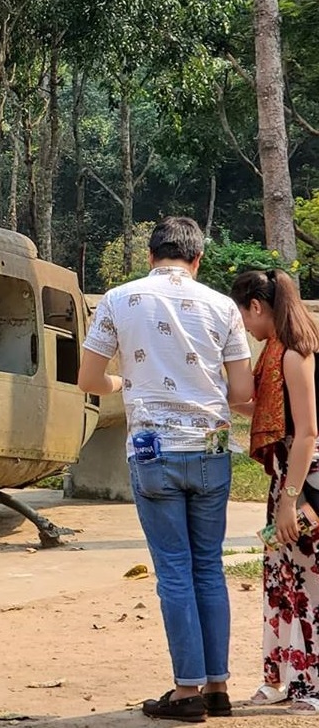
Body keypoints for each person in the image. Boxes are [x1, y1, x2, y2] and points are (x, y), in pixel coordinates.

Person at [78, 217, 253, 722]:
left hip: (153, 452)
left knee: (174, 570)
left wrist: (123, 383)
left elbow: (89, 378)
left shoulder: (118, 299)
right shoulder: (223, 306)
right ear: (197, 259)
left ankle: (186, 691)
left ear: (151, 255)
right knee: (208, 567)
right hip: (211, 450)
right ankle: (218, 687)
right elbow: (242, 392)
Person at [229, 268, 319, 713]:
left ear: (257, 307)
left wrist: (290, 500)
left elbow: (307, 433)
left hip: (306, 481)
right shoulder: (273, 352)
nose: (245, 327)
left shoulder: (294, 354)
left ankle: (311, 684)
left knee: (308, 583)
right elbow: (264, 407)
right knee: (282, 579)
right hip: (286, 478)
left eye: (244, 316)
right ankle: (282, 676)